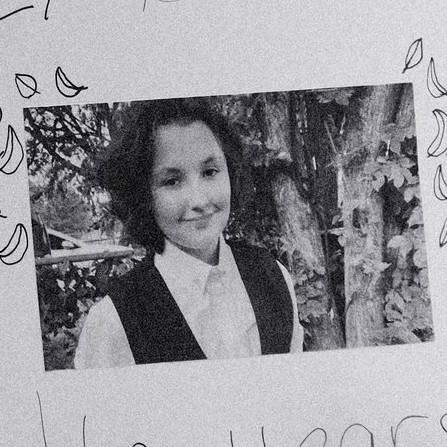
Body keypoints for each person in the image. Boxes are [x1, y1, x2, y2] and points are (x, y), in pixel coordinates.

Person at [72, 98, 302, 368]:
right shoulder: (113, 323)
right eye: (172, 181)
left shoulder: (274, 277)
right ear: (143, 195)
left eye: (210, 171)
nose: (200, 200)